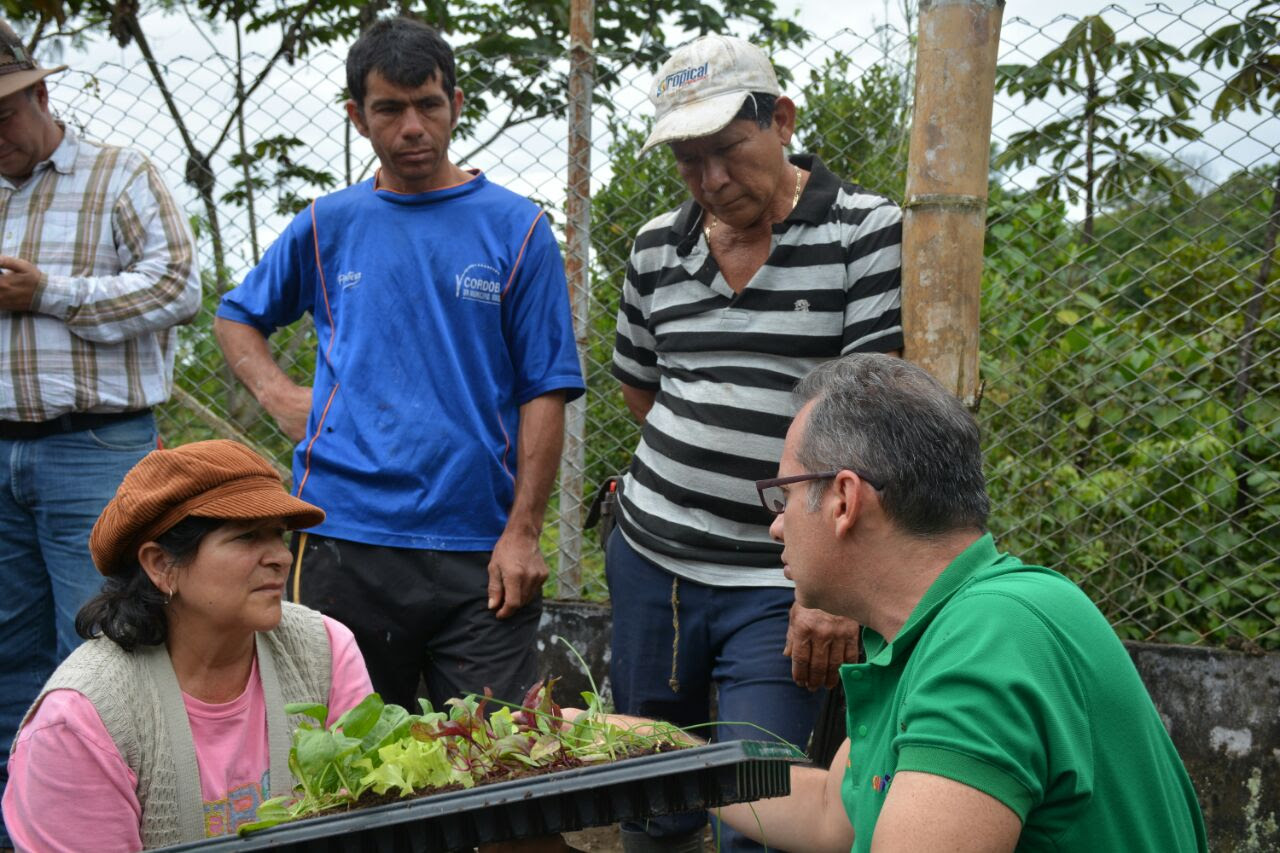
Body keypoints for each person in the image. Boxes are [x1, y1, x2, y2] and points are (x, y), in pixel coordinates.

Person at [213, 17, 584, 714]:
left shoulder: (518, 228)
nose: (413, 127)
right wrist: (276, 392)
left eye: (429, 105)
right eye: (390, 108)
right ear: (358, 116)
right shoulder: (328, 223)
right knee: (344, 765)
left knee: (499, 764)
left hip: (481, 548)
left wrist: (524, 532)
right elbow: (237, 316)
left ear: (457, 105)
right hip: (341, 533)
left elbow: (545, 388)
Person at [707, 353, 1207, 851]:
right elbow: (829, 812)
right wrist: (660, 751)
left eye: (783, 496)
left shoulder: (985, 643)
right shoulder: (939, 626)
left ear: (843, 500)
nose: (776, 524)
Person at [606, 34, 902, 851]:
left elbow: (870, 422)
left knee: (765, 811)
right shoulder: (655, 247)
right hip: (652, 565)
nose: (710, 181)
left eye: (728, 152)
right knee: (649, 791)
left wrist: (826, 589)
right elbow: (643, 389)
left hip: (778, 584)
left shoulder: (862, 232)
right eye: (688, 162)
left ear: (780, 119)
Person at [0, 22, 201, 848]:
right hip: (0, 450)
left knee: (102, 641)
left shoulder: (121, 175)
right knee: (7, 650)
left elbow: (176, 286)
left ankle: (117, 823)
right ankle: (26, 827)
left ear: (39, 95)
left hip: (99, 447)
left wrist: (49, 292)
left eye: (3, 117)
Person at [1, 440, 374, 850]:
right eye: (248, 536)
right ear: (161, 565)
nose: (280, 558)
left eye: (278, 535)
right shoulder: (80, 722)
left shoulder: (324, 649)